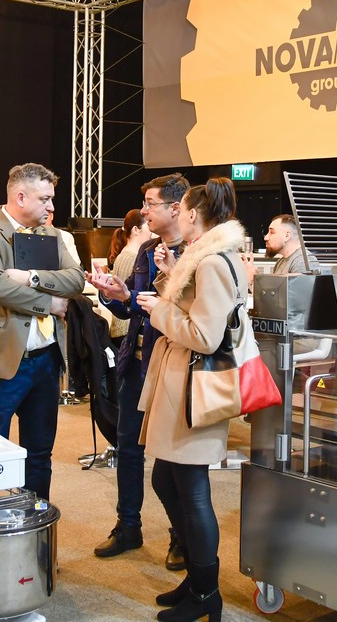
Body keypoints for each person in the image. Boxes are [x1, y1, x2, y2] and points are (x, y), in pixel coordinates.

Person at [135, 177, 247, 622]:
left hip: (193, 390)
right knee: (167, 480)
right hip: (181, 386)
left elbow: (205, 335)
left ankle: (205, 592)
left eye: (180, 209)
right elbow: (196, 307)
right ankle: (198, 582)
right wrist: (170, 278)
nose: (175, 216)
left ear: (194, 215)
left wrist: (158, 310)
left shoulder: (213, 262)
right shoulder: (204, 257)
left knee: (191, 489)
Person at [0, 163, 85, 500]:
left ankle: (36, 517)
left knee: (40, 453)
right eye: (45, 199)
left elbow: (76, 279)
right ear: (20, 197)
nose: (51, 207)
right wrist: (49, 303)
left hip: (46, 361)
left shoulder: (51, 235)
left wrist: (31, 277)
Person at [86, 173, 190, 568]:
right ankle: (128, 525)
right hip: (136, 362)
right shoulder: (147, 249)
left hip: (172, 366)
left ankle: (181, 535)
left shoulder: (197, 252)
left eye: (150, 203)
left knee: (172, 458)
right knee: (128, 447)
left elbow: (194, 314)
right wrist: (115, 293)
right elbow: (131, 303)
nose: (144, 211)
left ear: (175, 208)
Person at [106, 208, 150, 341]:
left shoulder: (125, 254)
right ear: (136, 229)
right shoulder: (132, 257)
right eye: (147, 225)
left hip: (120, 328)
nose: (151, 231)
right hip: (125, 329)